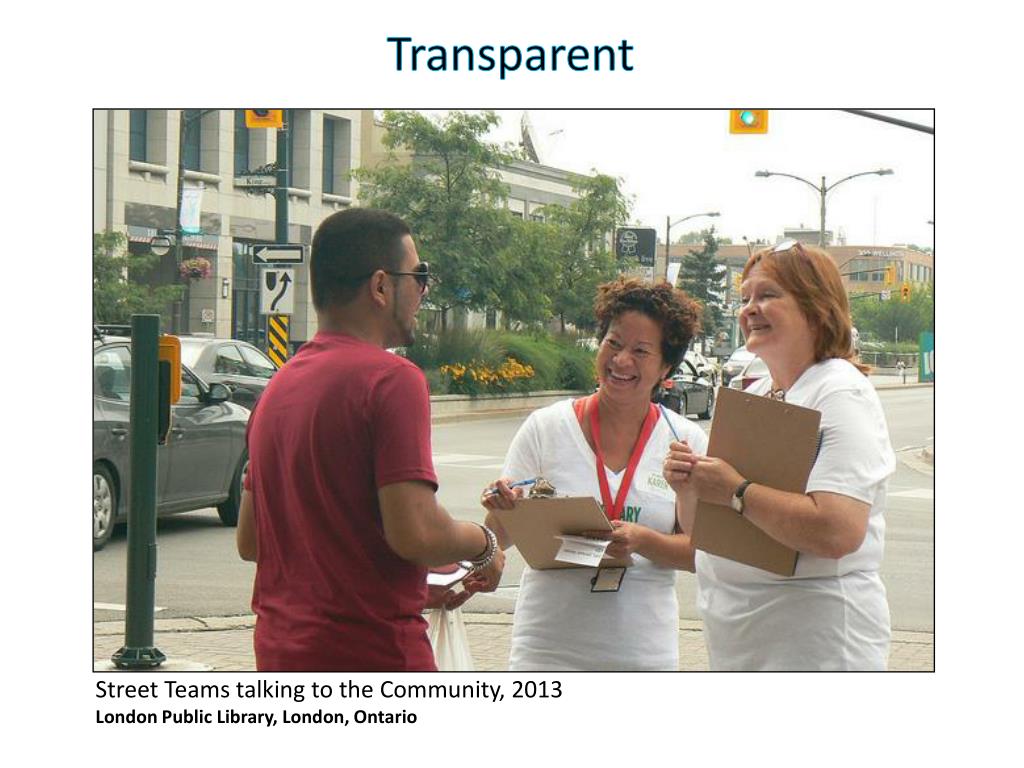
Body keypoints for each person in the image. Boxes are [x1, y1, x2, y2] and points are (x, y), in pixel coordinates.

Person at [236, 208, 503, 672]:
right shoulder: (392, 379)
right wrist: (484, 545)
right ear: (381, 286)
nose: (423, 291)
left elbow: (252, 541)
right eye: (419, 276)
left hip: (281, 654)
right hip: (374, 655)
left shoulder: (277, 389)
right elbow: (416, 532)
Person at [664, 239, 896, 671]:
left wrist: (735, 490)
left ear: (816, 307)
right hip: (743, 645)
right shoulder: (754, 390)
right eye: (744, 298)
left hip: (815, 649)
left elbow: (837, 530)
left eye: (768, 294)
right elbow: (707, 534)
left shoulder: (840, 392)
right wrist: (690, 488)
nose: (750, 309)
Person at [482, 277, 705, 671]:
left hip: (643, 656)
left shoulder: (685, 442)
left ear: (666, 367)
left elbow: (699, 554)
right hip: (547, 653)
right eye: (613, 343)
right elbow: (498, 535)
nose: (621, 361)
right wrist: (505, 508)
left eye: (640, 351)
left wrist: (642, 540)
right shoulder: (546, 427)